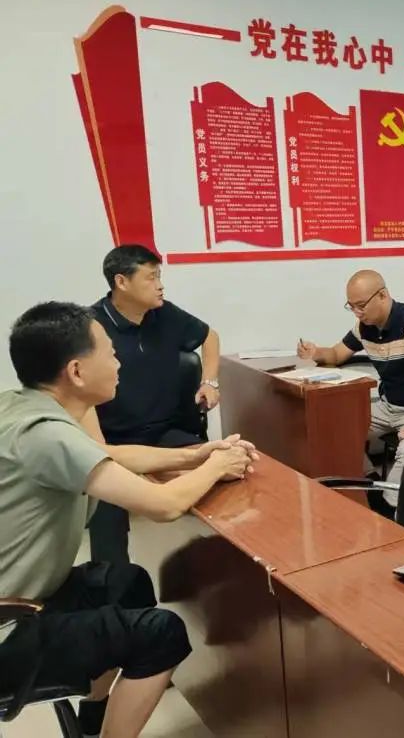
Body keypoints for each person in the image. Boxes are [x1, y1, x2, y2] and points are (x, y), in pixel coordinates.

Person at [0, 302, 256, 738]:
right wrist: (218, 466)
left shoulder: (23, 406)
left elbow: (107, 456)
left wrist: (196, 455)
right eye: (110, 353)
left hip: (32, 594)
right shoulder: (46, 434)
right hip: (10, 624)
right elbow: (163, 505)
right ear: (77, 371)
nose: (119, 362)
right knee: (161, 633)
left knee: (127, 583)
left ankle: (93, 717)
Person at [89, 245, 224, 566]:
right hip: (114, 441)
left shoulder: (164, 313)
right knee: (104, 507)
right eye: (151, 278)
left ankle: (218, 565)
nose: (160, 286)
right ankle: (113, 582)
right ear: (122, 282)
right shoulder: (90, 327)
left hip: (165, 432)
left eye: (160, 276)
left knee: (226, 469)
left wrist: (210, 382)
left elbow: (210, 336)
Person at [297, 270, 404, 511]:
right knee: (335, 431)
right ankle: (370, 483)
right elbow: (336, 354)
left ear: (382, 295)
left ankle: (389, 511)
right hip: (388, 406)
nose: (357, 313)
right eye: (351, 307)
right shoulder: (364, 327)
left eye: (361, 306)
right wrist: (316, 352)